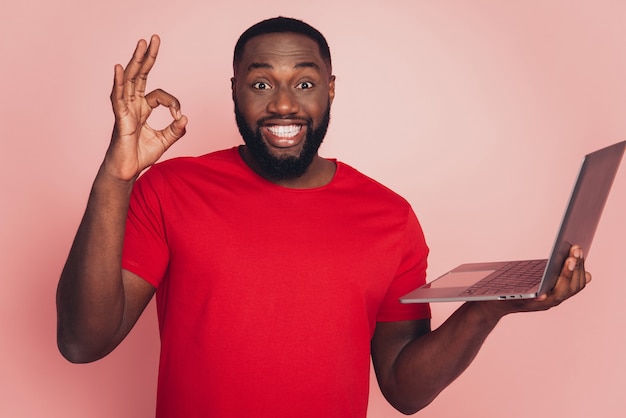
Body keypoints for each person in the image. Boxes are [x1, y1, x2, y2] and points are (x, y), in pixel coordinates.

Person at [56, 17, 591, 417]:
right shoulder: (169, 190)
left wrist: (483, 312)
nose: (283, 103)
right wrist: (114, 179)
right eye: (261, 83)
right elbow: (83, 342)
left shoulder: (390, 217)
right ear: (236, 91)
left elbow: (403, 389)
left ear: (331, 89)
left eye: (305, 83)